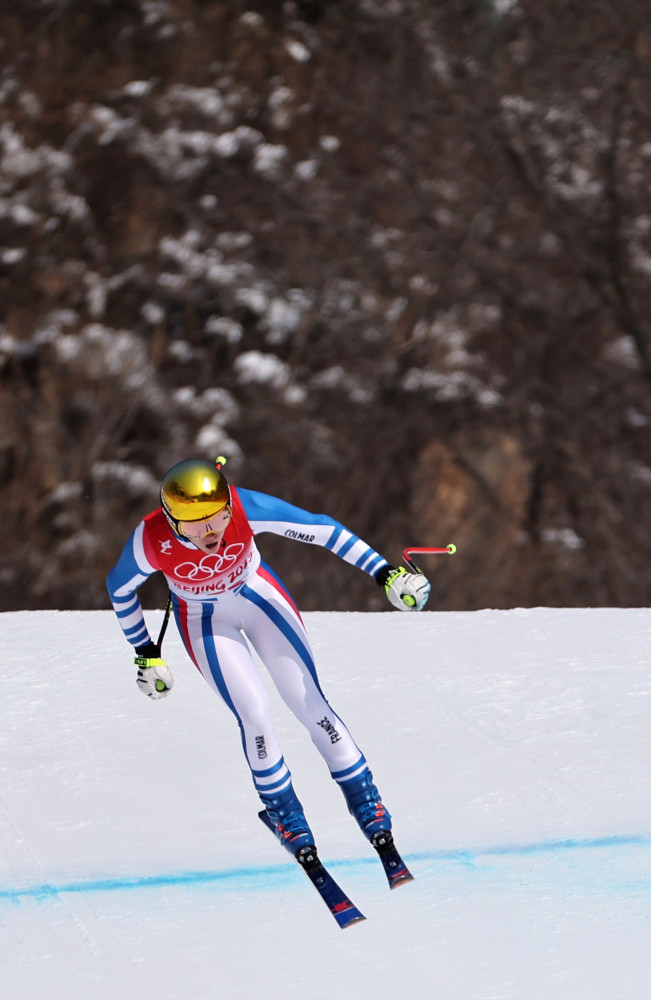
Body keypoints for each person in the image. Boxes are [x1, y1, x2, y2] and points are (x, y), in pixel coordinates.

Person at [106, 457, 430, 859]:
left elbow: (321, 528)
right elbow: (120, 588)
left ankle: (366, 800)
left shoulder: (244, 507)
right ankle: (285, 813)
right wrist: (144, 652)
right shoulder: (150, 540)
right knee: (255, 714)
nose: (210, 530)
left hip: (258, 597)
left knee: (308, 702)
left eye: (217, 516)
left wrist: (385, 573)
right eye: (193, 522)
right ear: (172, 522)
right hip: (204, 619)